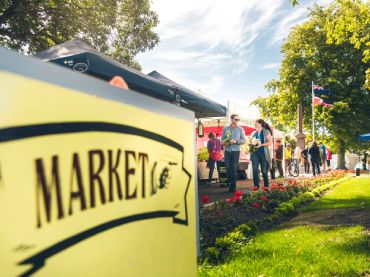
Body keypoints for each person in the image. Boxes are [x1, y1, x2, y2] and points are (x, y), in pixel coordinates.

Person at [221, 114, 246, 192]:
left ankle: (232, 187)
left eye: (238, 120)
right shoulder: (225, 129)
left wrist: (236, 141)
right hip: (227, 151)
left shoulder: (240, 129)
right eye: (235, 119)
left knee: (234, 169)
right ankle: (230, 182)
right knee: (227, 168)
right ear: (231, 119)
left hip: (236, 151)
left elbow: (244, 140)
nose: (237, 121)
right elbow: (222, 139)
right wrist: (224, 142)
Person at [250, 119, 273, 189]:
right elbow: (252, 142)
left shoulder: (266, 131)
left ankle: (266, 185)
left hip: (263, 153)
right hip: (254, 153)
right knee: (255, 169)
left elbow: (270, 142)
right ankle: (256, 185)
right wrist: (251, 145)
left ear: (260, 124)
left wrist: (261, 145)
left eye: (256, 122)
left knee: (264, 170)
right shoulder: (254, 133)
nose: (255, 124)